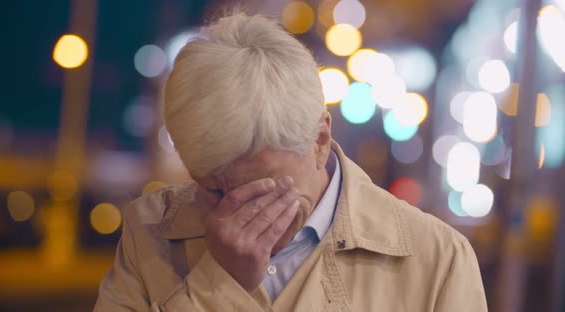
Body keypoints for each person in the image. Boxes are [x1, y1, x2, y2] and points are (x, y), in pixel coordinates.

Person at [94, 12, 487, 311]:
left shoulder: (437, 258)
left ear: (319, 140)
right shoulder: (150, 232)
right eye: (213, 189)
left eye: (262, 187)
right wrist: (220, 285)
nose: (237, 211)